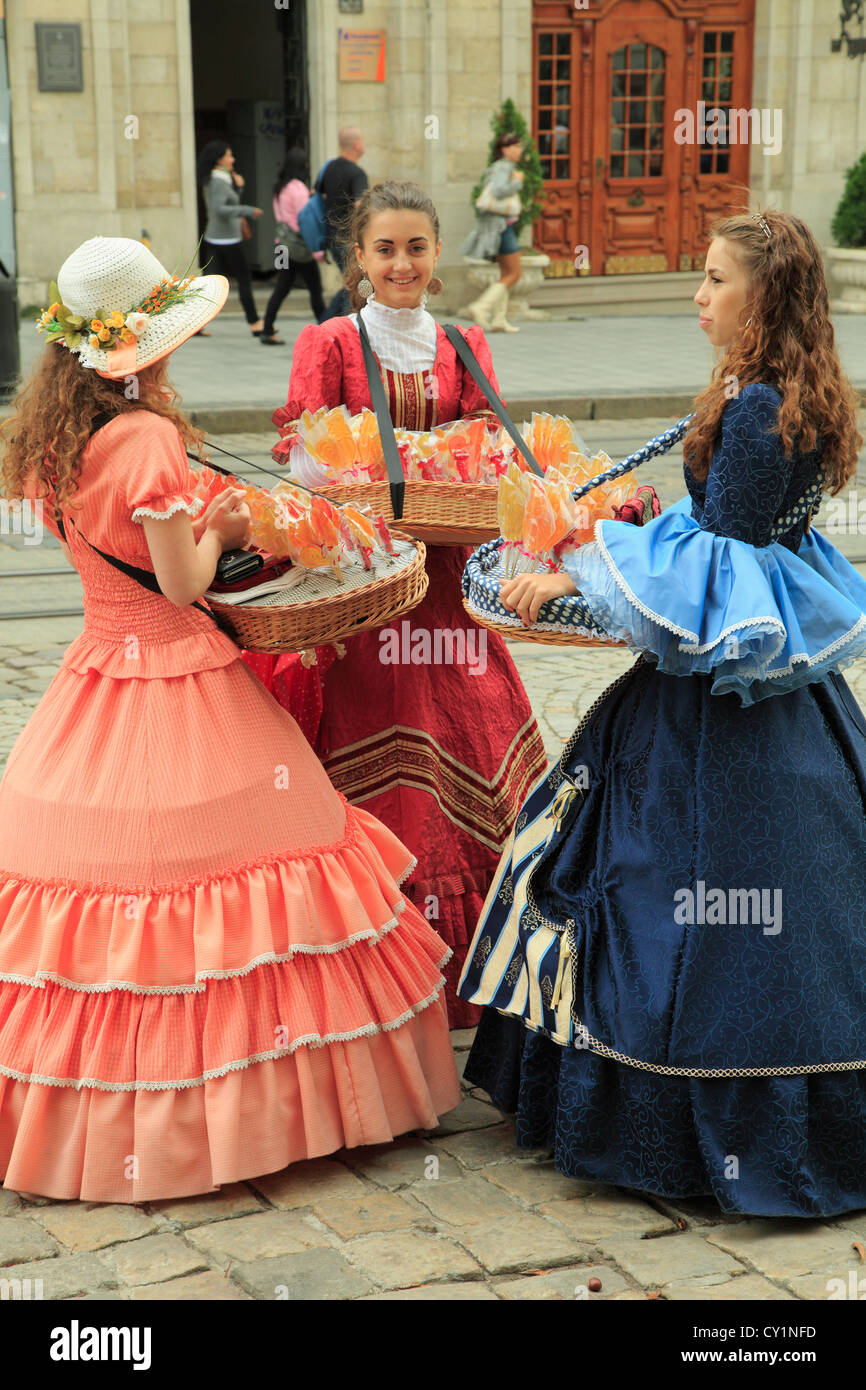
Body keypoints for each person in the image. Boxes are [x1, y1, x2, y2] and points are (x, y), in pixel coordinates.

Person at [0, 235, 460, 1203]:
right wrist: (224, 525)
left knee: (105, 903)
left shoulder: (61, 439)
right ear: (147, 346)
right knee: (274, 873)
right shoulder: (145, 439)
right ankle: (275, 1104)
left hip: (95, 675)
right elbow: (181, 583)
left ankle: (104, 1114)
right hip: (179, 668)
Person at [459, 209, 866, 1218]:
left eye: (715, 278)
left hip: (713, 710)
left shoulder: (756, 403)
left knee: (680, 903)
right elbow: (713, 546)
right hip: (780, 703)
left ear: (760, 299)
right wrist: (614, 533)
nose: (696, 292)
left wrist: (573, 586)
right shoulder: (775, 390)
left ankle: (683, 1126)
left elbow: (701, 608)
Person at [242, 181, 547, 1029]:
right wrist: (358, 476)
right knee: (371, 735)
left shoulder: (463, 339)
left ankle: (476, 958)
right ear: (358, 260)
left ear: (436, 253)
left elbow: (491, 441)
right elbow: (302, 449)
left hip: (447, 582)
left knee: (473, 716)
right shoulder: (332, 341)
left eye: (416, 248)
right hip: (369, 587)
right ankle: (371, 969)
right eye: (385, 250)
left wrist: (469, 468)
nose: (403, 264)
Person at [197, 139, 264, 336]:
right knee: (242, 280)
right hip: (226, 240)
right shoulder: (218, 180)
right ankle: (255, 323)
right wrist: (248, 211)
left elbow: (227, 202)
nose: (233, 159)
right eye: (229, 155)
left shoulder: (221, 178)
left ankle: (197, 326)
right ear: (219, 159)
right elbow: (220, 209)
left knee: (209, 284)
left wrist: (239, 188)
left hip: (219, 238)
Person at [261, 147, 327, 345]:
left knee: (281, 287)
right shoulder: (298, 188)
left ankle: (267, 328)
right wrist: (317, 249)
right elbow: (305, 220)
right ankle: (326, 329)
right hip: (298, 249)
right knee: (315, 288)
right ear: (302, 166)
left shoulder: (279, 187)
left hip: (281, 246)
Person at [461, 131, 525, 334]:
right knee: (515, 273)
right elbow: (497, 191)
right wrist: (517, 182)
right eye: (514, 147)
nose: (519, 151)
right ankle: (481, 307)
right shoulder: (504, 167)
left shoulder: (499, 167)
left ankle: (499, 319)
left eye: (519, 146)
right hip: (502, 226)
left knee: (505, 273)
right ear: (504, 149)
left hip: (500, 225)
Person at [319, 127, 368, 321]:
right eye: (363, 140)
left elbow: (319, 195)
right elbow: (360, 206)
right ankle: (344, 327)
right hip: (348, 238)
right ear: (357, 145)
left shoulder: (329, 168)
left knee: (351, 284)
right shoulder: (357, 173)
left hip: (331, 236)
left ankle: (324, 325)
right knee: (355, 286)